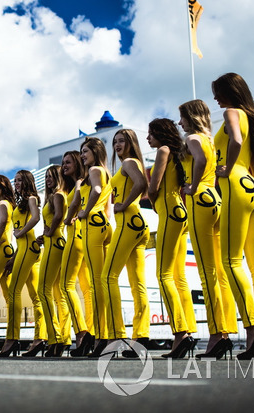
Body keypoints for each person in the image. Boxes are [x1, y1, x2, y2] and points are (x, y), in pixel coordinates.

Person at [213, 72, 254, 360]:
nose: (215, 98)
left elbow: (235, 141)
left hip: (237, 184)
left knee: (230, 260)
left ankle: (253, 330)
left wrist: (226, 168)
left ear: (229, 91)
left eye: (217, 92)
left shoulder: (231, 112)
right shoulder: (253, 116)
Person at [179, 100, 235, 357]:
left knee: (206, 272)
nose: (180, 123)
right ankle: (225, 331)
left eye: (182, 118)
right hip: (215, 197)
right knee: (220, 272)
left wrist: (192, 185)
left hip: (199, 198)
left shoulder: (192, 138)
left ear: (190, 117)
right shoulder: (209, 138)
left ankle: (215, 335)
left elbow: (198, 160)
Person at [146, 118, 198, 358]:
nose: (148, 138)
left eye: (151, 134)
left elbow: (154, 186)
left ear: (160, 134)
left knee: (163, 275)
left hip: (168, 209)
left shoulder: (163, 151)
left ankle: (180, 334)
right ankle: (188, 330)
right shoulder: (180, 151)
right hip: (181, 210)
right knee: (179, 278)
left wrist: (153, 199)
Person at [104, 129, 150, 356]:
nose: (117, 144)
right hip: (138, 224)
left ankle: (116, 334)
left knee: (107, 276)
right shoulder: (133, 162)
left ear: (131, 143)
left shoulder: (129, 162)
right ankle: (140, 336)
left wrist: (122, 203)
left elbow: (141, 184)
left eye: (122, 140)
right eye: (115, 141)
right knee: (137, 283)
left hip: (128, 222)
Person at [0, 170, 44, 357]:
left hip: (29, 249)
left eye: (19, 180)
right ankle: (39, 338)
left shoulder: (32, 198)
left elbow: (35, 218)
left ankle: (11, 338)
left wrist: (21, 231)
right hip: (25, 250)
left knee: (14, 291)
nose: (16, 183)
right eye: (15, 180)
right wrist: (14, 257)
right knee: (36, 295)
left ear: (27, 181)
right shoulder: (21, 202)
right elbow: (22, 238)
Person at [77, 137, 113, 357]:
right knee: (101, 281)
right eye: (81, 152)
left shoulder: (94, 171)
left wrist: (85, 211)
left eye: (85, 152)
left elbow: (97, 191)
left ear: (96, 151)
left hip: (92, 225)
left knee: (96, 282)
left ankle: (101, 335)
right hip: (104, 225)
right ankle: (103, 333)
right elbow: (107, 204)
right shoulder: (105, 171)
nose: (82, 156)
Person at [61, 151, 95, 356]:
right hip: (84, 236)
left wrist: (69, 218)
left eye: (68, 162)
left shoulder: (80, 183)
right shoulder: (82, 182)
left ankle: (81, 332)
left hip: (76, 236)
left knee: (66, 285)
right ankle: (90, 331)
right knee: (87, 288)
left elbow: (74, 209)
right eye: (63, 163)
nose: (64, 166)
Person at [37, 165, 69, 357]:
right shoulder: (55, 195)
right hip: (54, 243)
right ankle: (62, 338)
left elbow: (58, 215)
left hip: (55, 243)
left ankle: (55, 338)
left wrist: (49, 231)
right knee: (58, 294)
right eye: (47, 176)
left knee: (43, 290)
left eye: (52, 176)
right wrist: (44, 235)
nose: (48, 179)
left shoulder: (58, 195)